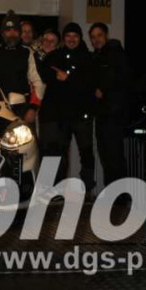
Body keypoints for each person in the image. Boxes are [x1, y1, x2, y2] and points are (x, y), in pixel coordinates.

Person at [37, 22, 96, 191]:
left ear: (80, 38)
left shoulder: (88, 58)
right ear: (64, 38)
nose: (71, 39)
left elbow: (90, 84)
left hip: (82, 115)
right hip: (61, 116)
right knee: (59, 154)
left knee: (86, 153)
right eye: (68, 36)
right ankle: (57, 190)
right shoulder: (55, 55)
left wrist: (68, 78)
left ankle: (88, 190)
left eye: (75, 36)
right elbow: (45, 75)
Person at [89, 22, 131, 187]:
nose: (96, 40)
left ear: (106, 35)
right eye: (93, 37)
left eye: (99, 35)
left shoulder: (115, 54)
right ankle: (112, 195)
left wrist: (104, 92)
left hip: (113, 113)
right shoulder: (97, 56)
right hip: (102, 113)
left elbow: (123, 81)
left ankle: (119, 196)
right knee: (106, 157)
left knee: (114, 158)